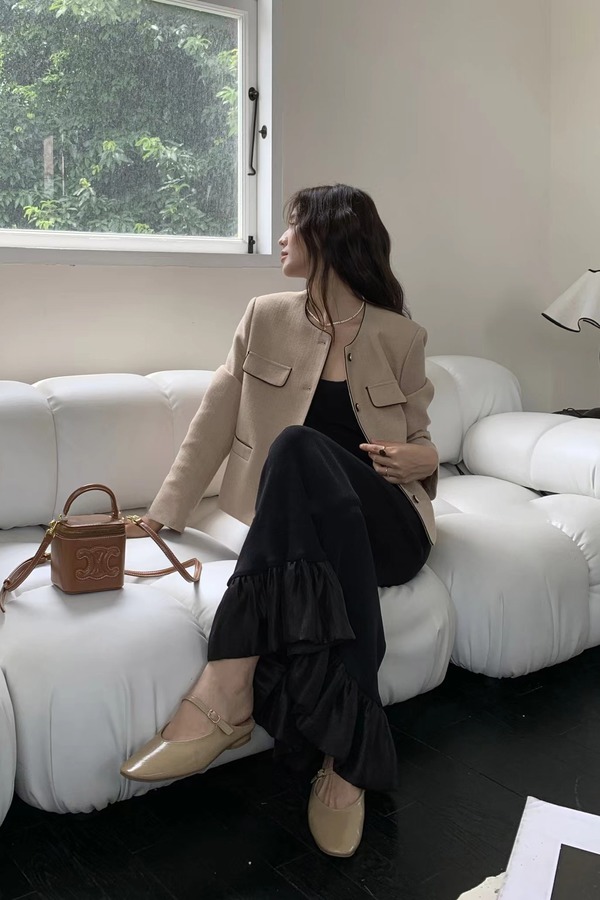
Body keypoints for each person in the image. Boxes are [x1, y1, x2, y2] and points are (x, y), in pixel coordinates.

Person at [120, 183, 439, 858]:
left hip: (391, 524)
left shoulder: (400, 335)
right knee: (298, 460)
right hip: (316, 530)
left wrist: (424, 457)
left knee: (296, 445)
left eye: (294, 225)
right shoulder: (264, 316)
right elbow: (215, 418)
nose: (283, 238)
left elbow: (421, 442)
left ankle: (227, 689)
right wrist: (164, 514)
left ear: (329, 236)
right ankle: (350, 757)